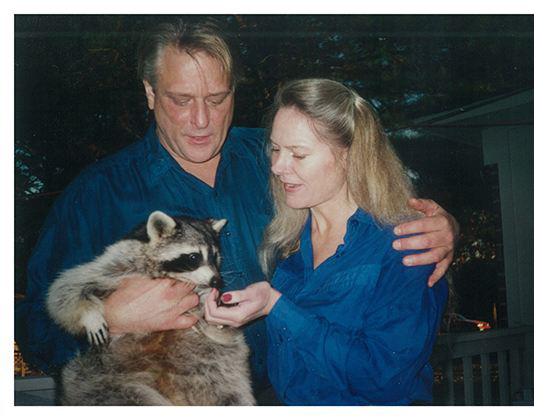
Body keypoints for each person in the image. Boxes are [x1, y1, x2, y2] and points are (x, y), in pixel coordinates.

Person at [15, 20, 457, 399]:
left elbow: (363, 190)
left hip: (290, 395)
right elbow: (33, 326)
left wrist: (443, 227)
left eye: (217, 98)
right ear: (150, 93)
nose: (202, 120)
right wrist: (109, 322)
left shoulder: (275, 161)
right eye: (181, 100)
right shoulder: (96, 196)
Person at [204, 78, 448, 405]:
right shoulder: (286, 241)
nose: (277, 166)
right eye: (275, 149)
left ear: (349, 155)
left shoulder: (406, 244)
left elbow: (385, 379)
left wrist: (276, 307)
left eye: (298, 154)